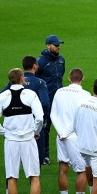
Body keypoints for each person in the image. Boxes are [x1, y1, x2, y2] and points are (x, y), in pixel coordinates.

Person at [0, 56, 54, 194]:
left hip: (11, 139)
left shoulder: (7, 90)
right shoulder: (38, 84)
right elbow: (45, 106)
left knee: (12, 174)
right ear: (35, 66)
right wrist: (37, 129)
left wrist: (4, 132)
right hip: (30, 134)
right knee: (34, 172)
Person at [50, 68, 92, 194]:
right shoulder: (85, 95)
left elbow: (53, 114)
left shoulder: (59, 92)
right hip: (76, 137)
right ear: (83, 79)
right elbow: (81, 118)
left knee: (63, 169)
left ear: (69, 79)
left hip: (61, 137)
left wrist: (61, 132)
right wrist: (67, 132)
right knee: (81, 171)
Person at [36, 35, 65, 165]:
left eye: (59, 44)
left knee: (65, 127)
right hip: (47, 101)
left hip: (60, 100)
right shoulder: (40, 62)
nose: (58, 46)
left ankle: (66, 156)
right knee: (45, 128)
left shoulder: (61, 60)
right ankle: (44, 155)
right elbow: (36, 81)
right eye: (55, 44)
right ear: (48, 46)